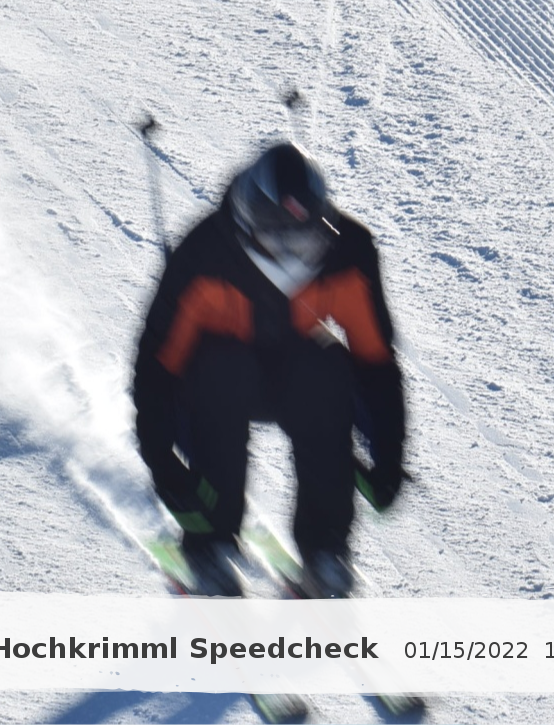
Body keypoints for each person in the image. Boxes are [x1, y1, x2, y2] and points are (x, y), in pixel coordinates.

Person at [131, 143, 406, 597]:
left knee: (328, 366)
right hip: (213, 387)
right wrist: (161, 459)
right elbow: (157, 368)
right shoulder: (203, 255)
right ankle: (209, 548)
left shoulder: (349, 252)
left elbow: (375, 362)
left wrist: (389, 452)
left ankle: (325, 550)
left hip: (299, 376)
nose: (289, 252)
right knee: (221, 366)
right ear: (247, 221)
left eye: (302, 238)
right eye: (277, 236)